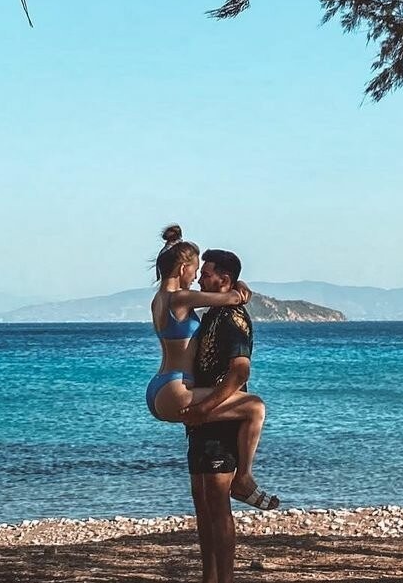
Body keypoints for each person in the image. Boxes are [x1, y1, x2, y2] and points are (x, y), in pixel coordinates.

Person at [147, 226, 278, 510]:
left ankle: (238, 477)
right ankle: (244, 478)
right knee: (255, 408)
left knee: (205, 498)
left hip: (160, 386)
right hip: (176, 388)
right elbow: (231, 298)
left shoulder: (158, 300)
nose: (195, 278)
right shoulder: (180, 298)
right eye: (195, 271)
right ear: (183, 268)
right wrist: (241, 288)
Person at [183, 248, 274, 583]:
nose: (199, 279)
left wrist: (206, 407)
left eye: (206, 275)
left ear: (223, 279)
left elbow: (239, 371)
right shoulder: (214, 312)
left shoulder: (233, 319)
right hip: (202, 421)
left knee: (218, 505)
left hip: (221, 421)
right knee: (202, 503)